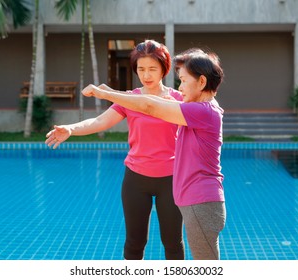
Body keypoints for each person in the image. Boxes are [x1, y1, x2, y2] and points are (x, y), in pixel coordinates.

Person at [81, 48, 226, 260]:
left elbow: (149, 105)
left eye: (184, 81)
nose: (180, 87)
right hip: (197, 201)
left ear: (202, 82)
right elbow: (152, 103)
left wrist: (105, 93)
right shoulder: (198, 109)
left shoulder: (203, 111)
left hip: (201, 204)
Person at [45, 40, 184, 260]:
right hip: (136, 180)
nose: (146, 75)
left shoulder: (178, 99)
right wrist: (71, 129)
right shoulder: (128, 98)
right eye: (141, 69)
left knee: (173, 243)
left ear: (164, 69)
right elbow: (100, 121)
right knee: (135, 243)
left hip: (171, 179)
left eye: (152, 69)